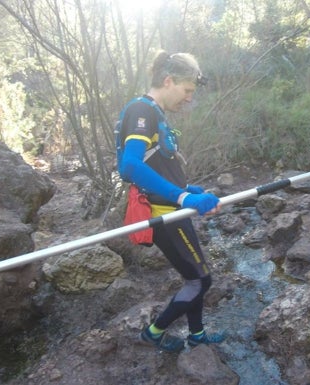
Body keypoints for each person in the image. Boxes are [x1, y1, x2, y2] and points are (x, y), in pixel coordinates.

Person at [118, 50, 225, 352]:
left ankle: (197, 334)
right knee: (200, 281)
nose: (190, 98)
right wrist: (182, 195)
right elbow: (130, 165)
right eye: (187, 90)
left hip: (173, 209)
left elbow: (155, 166)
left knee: (195, 276)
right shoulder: (142, 111)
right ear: (168, 81)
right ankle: (154, 332)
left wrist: (187, 187)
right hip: (164, 214)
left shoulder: (154, 112)